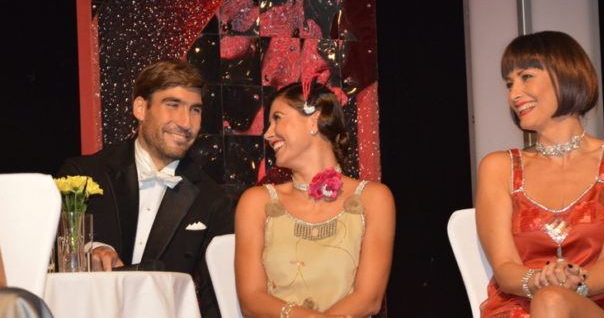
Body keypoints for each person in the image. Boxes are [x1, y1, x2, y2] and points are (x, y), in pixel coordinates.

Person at [476, 31, 604, 317]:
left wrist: (575, 285)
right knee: (550, 299)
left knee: (552, 300)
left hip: (599, 308)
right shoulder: (498, 167)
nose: (514, 94)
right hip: (518, 310)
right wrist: (539, 280)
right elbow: (505, 269)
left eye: (526, 77)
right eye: (509, 83)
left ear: (566, 74)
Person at [57, 60, 234, 318]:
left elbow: (215, 298)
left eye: (195, 110)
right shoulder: (83, 174)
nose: (186, 122)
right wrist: (89, 249)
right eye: (172, 105)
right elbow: (46, 250)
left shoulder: (211, 199)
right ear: (140, 108)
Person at [234, 81, 395, 318]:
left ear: (313, 120)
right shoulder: (257, 202)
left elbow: (369, 299)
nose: (268, 134)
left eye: (277, 118)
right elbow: (251, 300)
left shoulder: (373, 198)